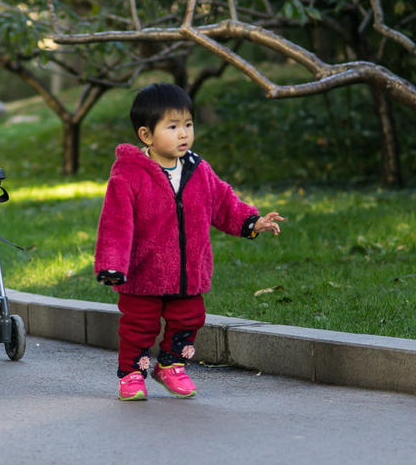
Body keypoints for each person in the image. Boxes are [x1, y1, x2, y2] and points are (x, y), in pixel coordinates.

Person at [94, 83, 284, 401]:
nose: (183, 134)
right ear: (146, 135)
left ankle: (171, 364)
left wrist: (251, 221)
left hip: (189, 273)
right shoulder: (129, 175)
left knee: (190, 319)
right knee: (139, 327)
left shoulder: (199, 170)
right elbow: (115, 224)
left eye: (188, 125)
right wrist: (112, 265)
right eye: (172, 127)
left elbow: (223, 203)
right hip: (144, 274)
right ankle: (132, 373)